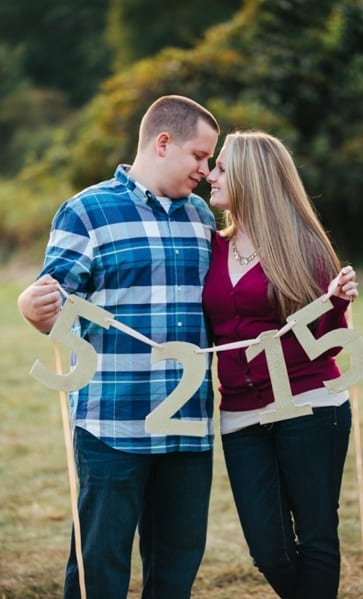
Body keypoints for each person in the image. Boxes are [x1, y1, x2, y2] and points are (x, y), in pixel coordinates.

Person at [17, 95, 220, 598]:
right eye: (199, 155)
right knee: (99, 568)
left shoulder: (202, 218)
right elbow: (54, 303)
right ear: (163, 143)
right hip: (112, 424)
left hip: (187, 426)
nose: (206, 168)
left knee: (176, 568)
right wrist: (32, 307)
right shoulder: (88, 210)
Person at [202, 130, 358, 598]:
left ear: (252, 176)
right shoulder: (211, 246)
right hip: (240, 414)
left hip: (310, 405)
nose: (211, 174)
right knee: (269, 550)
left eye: (223, 167)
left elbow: (327, 344)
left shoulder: (303, 246)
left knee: (315, 537)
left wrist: (335, 303)